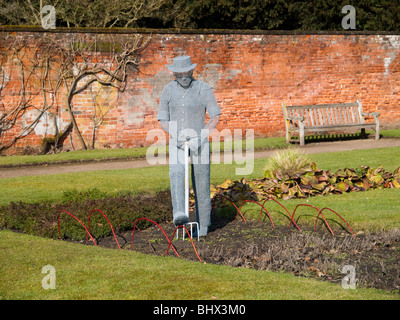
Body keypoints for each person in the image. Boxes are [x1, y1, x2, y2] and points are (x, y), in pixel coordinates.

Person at [158, 55, 220, 237]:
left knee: (201, 180)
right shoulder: (167, 91)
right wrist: (175, 134)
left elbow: (215, 116)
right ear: (174, 73)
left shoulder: (203, 89)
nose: (183, 77)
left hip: (199, 141)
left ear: (192, 70)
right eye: (179, 74)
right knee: (176, 174)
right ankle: (179, 214)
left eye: (186, 73)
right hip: (177, 141)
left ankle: (203, 225)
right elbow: (163, 119)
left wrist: (200, 136)